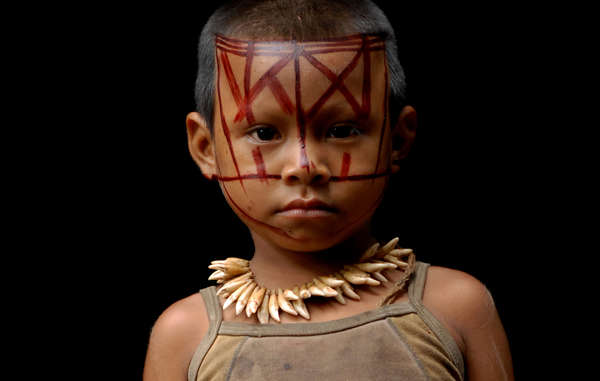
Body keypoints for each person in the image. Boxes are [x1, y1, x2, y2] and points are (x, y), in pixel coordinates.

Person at [143, 0, 514, 380]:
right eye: (264, 133)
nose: (304, 167)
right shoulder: (187, 335)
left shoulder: (454, 308)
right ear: (207, 149)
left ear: (398, 140)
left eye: (342, 131)